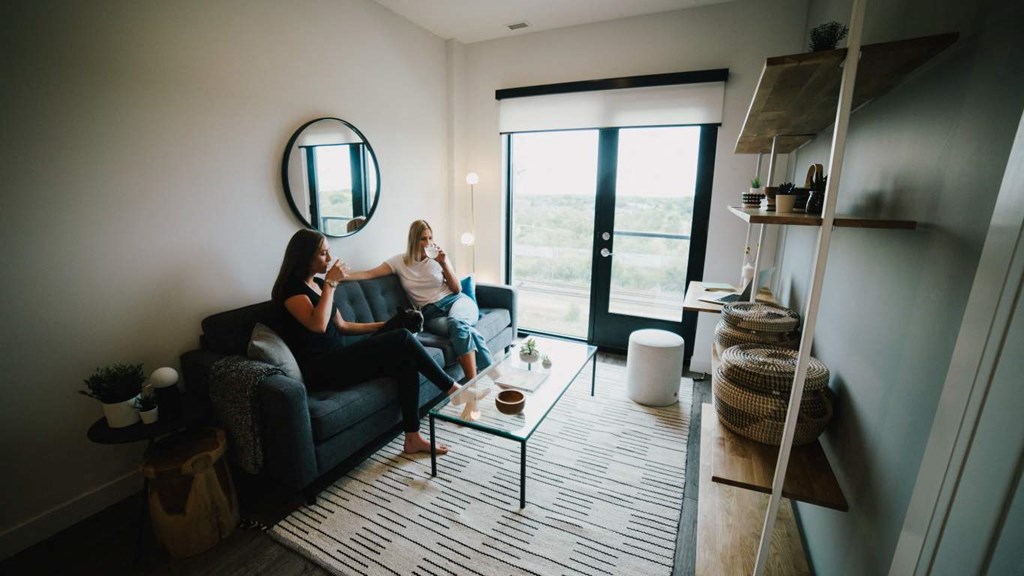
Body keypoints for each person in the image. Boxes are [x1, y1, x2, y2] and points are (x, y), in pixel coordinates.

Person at [271, 229, 463, 455]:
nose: (329, 258)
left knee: (406, 360)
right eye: (323, 254)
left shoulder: (319, 284)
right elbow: (318, 325)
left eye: (328, 252)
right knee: (403, 337)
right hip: (322, 370)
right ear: (305, 257)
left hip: (340, 357)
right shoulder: (292, 290)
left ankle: (412, 438)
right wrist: (331, 284)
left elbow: (343, 326)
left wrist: (387, 325)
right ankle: (452, 388)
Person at [342, 219, 493, 381]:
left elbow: (457, 289)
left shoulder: (439, 259)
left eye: (430, 238)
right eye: (423, 239)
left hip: (456, 301)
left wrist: (443, 263)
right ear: (413, 240)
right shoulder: (399, 262)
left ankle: (471, 382)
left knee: (458, 322)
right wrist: (340, 277)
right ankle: (490, 375)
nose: (428, 243)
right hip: (431, 314)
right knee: (460, 327)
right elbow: (369, 273)